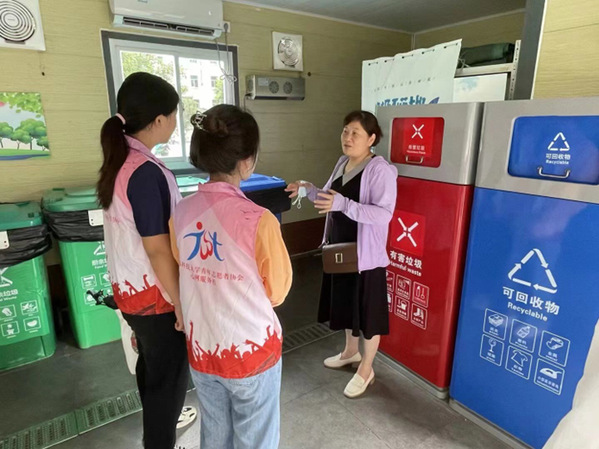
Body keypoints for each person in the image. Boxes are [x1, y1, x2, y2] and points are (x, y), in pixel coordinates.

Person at [171, 105, 292, 449]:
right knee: (256, 440)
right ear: (247, 161)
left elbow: (182, 267)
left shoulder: (180, 212)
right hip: (251, 352)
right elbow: (277, 291)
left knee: (215, 434)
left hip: (203, 349)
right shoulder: (259, 219)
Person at [98, 72, 189, 449]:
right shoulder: (145, 172)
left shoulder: (120, 161)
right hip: (156, 299)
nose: (175, 121)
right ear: (159, 120)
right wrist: (180, 301)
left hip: (130, 293)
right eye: (174, 115)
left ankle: (156, 436)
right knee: (169, 383)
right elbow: (157, 248)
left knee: (152, 369)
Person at [286, 110, 397, 398]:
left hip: (366, 257)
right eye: (345, 131)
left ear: (371, 139)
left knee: (368, 315)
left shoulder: (380, 170)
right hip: (341, 250)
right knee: (346, 304)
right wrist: (307, 189)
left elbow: (384, 214)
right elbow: (328, 198)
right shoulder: (342, 162)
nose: (348, 137)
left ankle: (366, 369)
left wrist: (344, 205)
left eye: (355, 133)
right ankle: (350, 352)